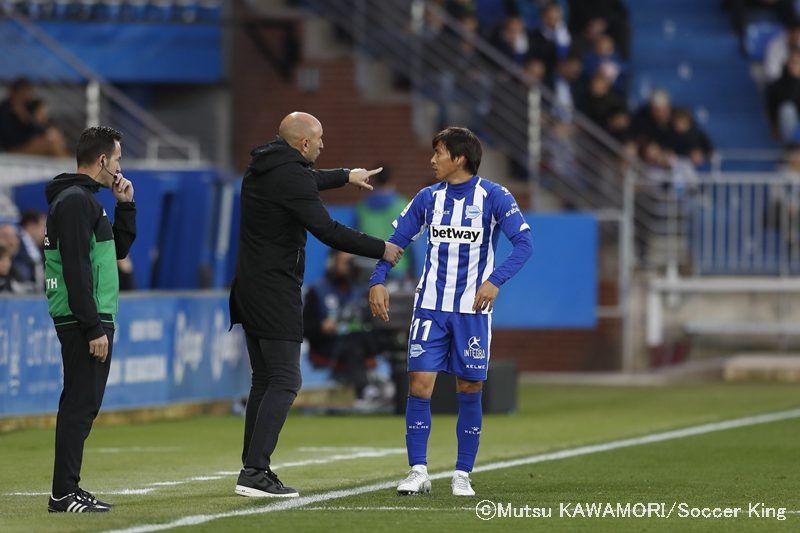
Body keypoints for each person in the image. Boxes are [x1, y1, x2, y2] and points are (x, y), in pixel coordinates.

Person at [229, 111, 403, 499]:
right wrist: (382, 249)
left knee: (265, 379)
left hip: (250, 287)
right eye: (319, 139)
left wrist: (344, 175)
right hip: (275, 290)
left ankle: (252, 466)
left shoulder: (264, 167)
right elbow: (327, 230)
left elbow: (305, 181)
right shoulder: (291, 176)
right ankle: (256, 471)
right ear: (303, 144)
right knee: (287, 380)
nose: (323, 145)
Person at [368, 127, 533, 497]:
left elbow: (524, 244)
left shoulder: (494, 196)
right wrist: (377, 279)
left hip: (472, 311)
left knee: (469, 386)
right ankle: (418, 470)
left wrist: (494, 281)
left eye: (438, 152)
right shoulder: (427, 198)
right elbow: (395, 243)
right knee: (419, 384)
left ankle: (462, 473)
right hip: (430, 308)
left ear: (459, 158)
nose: (432, 159)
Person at [44, 126, 136, 513]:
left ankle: (67, 490)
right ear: (102, 161)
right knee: (80, 404)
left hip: (91, 314)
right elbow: (76, 268)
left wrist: (125, 206)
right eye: (116, 159)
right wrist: (93, 327)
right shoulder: (76, 202)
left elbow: (118, 248)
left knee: (83, 403)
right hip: (85, 317)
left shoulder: (84, 201)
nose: (118, 167)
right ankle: (64, 493)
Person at [303, 249, 381, 408]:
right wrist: (322, 327)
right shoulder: (317, 291)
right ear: (333, 263)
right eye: (346, 263)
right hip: (328, 344)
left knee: (388, 338)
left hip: (361, 341)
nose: (350, 267)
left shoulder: (361, 290)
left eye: (352, 263)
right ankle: (364, 391)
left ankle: (399, 391)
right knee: (353, 344)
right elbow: (304, 328)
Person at [13, 209, 47, 291]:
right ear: (31, 226)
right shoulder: (15, 241)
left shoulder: (41, 248)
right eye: (44, 227)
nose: (46, 232)